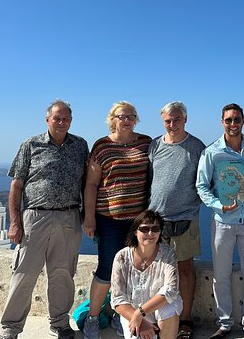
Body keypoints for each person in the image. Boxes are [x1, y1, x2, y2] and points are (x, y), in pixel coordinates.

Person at [0, 100, 88, 339]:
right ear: (47, 119)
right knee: (24, 274)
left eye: (66, 118)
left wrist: (87, 216)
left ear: (71, 121)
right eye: (57, 118)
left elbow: (86, 184)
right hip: (35, 217)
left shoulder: (80, 146)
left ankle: (60, 324)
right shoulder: (31, 145)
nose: (61, 122)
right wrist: (15, 222)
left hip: (69, 217)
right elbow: (16, 186)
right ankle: (10, 328)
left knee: (62, 275)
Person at [82, 102, 152, 339]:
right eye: (122, 116)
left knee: (131, 271)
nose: (127, 120)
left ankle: (117, 315)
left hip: (138, 220)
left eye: (132, 116)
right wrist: (89, 218)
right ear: (113, 118)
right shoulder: (102, 145)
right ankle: (92, 317)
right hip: (109, 219)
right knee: (106, 269)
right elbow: (91, 184)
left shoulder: (146, 142)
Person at [196, 103, 244, 339]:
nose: (233, 124)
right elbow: (202, 186)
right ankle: (225, 323)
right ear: (222, 122)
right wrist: (219, 205)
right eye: (228, 120)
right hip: (222, 221)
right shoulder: (212, 151)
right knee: (221, 275)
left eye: (237, 120)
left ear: (243, 120)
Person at [148, 101, 206, 339]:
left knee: (185, 270)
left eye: (177, 120)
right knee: (155, 271)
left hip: (185, 218)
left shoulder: (196, 147)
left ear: (185, 119)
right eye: (168, 121)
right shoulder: (154, 145)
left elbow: (204, 181)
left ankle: (185, 319)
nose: (172, 124)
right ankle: (156, 318)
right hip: (156, 220)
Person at [111, 210, 182, 339]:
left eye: (155, 229)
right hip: (131, 310)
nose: (150, 233)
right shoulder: (121, 257)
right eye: (144, 229)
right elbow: (117, 299)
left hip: (156, 308)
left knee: (170, 307)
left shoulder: (168, 254)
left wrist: (140, 313)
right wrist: (139, 319)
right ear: (135, 231)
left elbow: (171, 290)